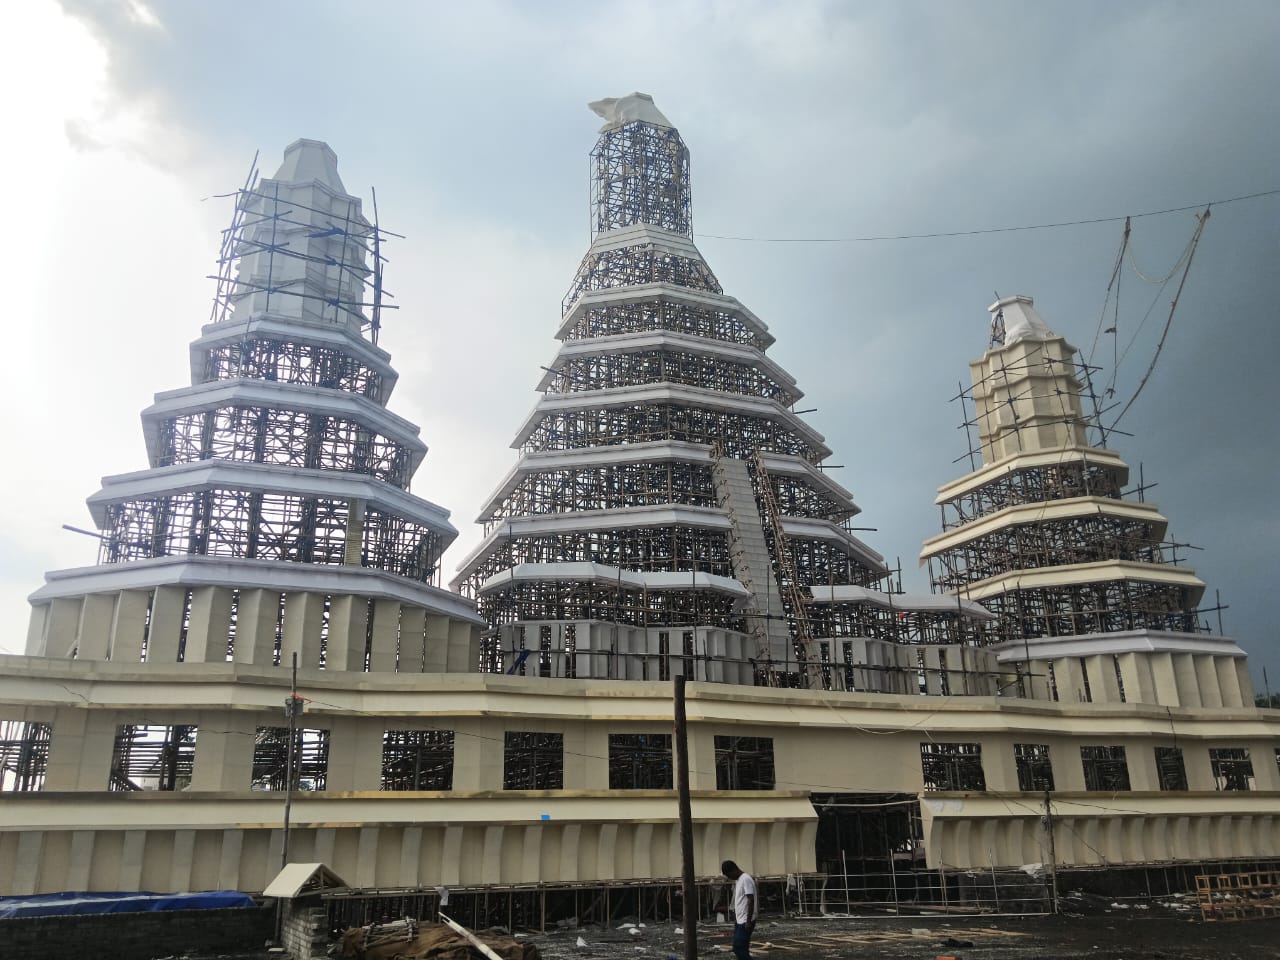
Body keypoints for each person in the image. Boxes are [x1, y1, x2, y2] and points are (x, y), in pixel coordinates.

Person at [720, 859, 756, 960]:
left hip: (745, 920)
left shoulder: (745, 879)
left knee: (739, 948)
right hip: (741, 919)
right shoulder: (739, 879)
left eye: (729, 875)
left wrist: (748, 920)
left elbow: (751, 900)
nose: (730, 878)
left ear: (733, 870)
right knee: (741, 947)